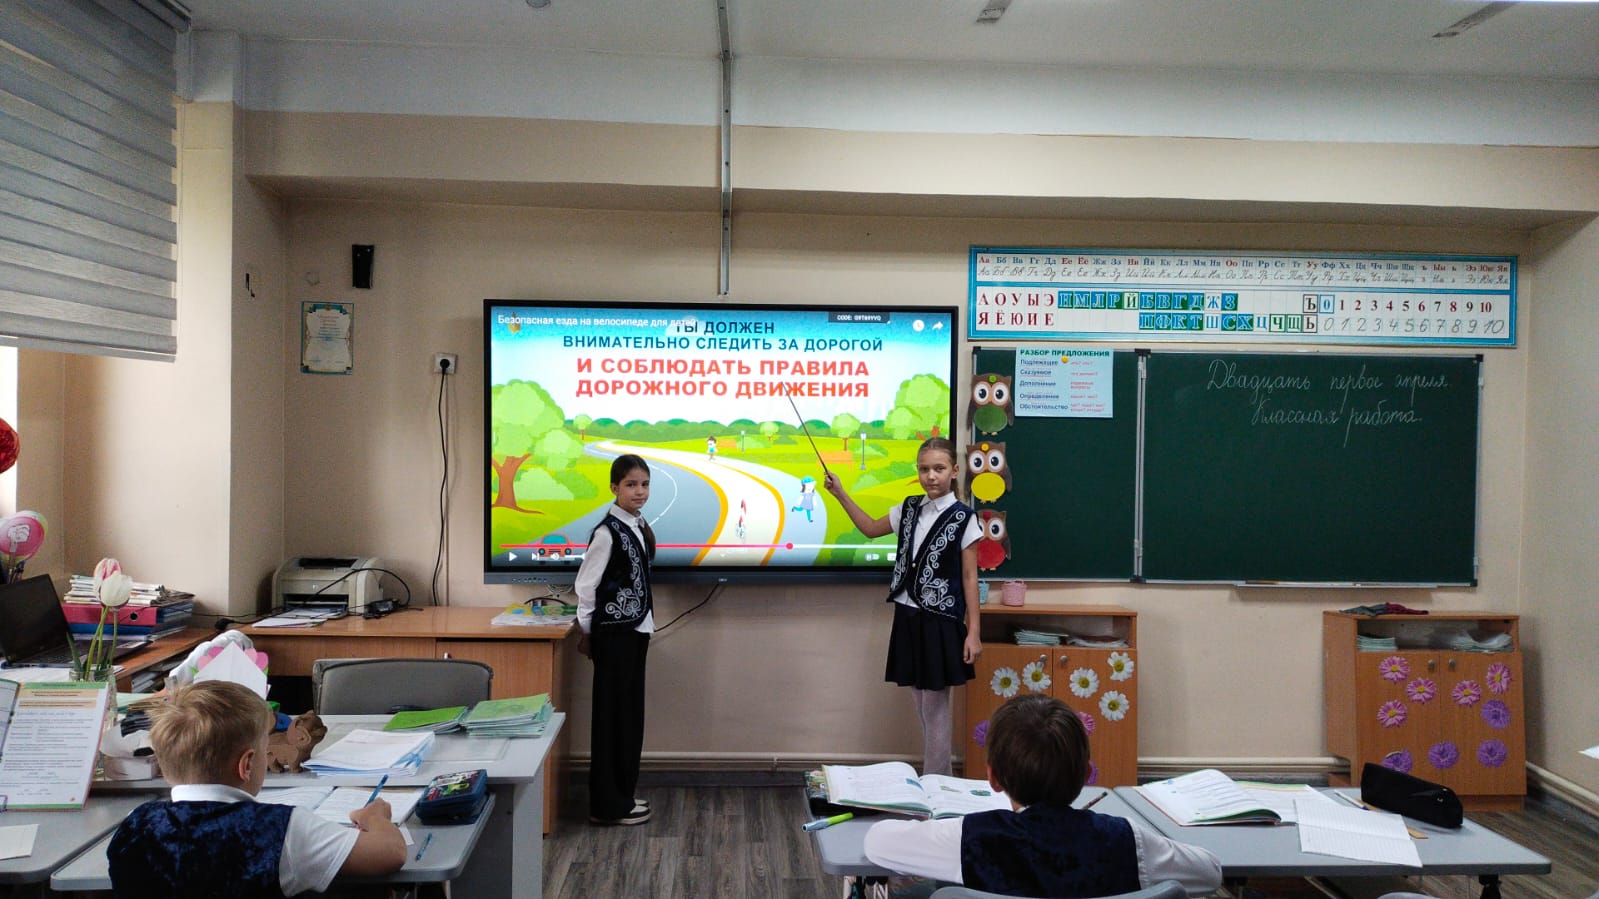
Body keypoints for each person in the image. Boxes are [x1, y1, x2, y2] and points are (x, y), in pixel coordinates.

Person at [864, 693, 1223, 897]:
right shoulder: (1127, 839)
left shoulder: (970, 837)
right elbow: (1210, 872)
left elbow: (876, 843)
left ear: (993, 778)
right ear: (1086, 774)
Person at [108, 680, 406, 898]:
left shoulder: (135, 826)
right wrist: (374, 817)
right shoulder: (282, 829)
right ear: (247, 764)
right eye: (266, 748)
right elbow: (390, 852)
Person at [823, 436, 981, 776]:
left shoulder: (964, 518)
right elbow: (869, 529)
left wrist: (974, 633)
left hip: (941, 620)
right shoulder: (908, 508)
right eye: (924, 469)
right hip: (908, 616)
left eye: (939, 468)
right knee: (921, 704)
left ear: (954, 471)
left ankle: (934, 783)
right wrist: (840, 494)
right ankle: (939, 778)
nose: (931, 476)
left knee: (935, 707)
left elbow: (970, 578)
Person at [576, 453, 656, 825]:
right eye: (631, 484)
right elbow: (586, 587)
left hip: (634, 632)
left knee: (628, 719)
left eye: (644, 484)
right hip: (614, 637)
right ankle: (607, 806)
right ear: (614, 487)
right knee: (612, 721)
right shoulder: (607, 533)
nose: (639, 491)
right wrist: (589, 634)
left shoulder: (636, 524)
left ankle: (621, 796)